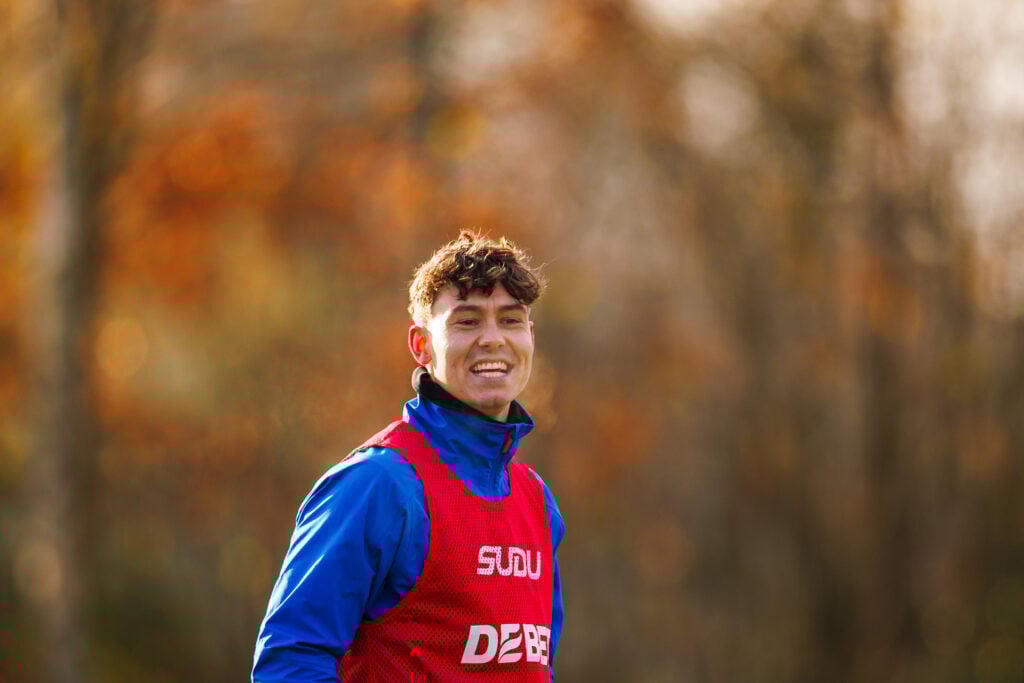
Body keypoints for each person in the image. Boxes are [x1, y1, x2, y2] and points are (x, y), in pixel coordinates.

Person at [252, 231, 566, 682]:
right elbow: (289, 661)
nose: (493, 339)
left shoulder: (537, 502)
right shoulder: (378, 484)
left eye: (511, 320)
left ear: (530, 336)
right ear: (421, 346)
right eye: (467, 321)